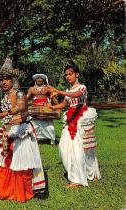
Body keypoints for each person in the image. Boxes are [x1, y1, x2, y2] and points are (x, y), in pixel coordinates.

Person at [0, 60, 46, 202]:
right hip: (7, 131)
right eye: (1, 80)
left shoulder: (20, 93)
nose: (3, 82)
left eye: (6, 79)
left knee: (21, 166)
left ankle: (20, 192)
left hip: (20, 132)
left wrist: (5, 114)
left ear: (12, 80)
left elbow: (21, 106)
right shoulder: (4, 95)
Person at [48, 60, 101, 188]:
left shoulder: (82, 87)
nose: (68, 77)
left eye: (70, 74)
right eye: (66, 75)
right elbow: (64, 104)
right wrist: (52, 107)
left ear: (76, 74)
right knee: (64, 146)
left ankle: (80, 178)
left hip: (81, 118)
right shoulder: (68, 89)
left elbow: (76, 95)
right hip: (70, 118)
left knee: (81, 148)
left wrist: (59, 92)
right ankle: (79, 173)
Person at [26, 74, 58, 145]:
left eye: (41, 78)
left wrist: (58, 106)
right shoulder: (31, 89)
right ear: (35, 80)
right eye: (38, 78)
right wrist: (22, 102)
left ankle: (52, 140)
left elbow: (53, 97)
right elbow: (26, 98)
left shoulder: (47, 88)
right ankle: (35, 140)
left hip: (46, 109)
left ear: (43, 80)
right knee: (35, 125)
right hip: (35, 109)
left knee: (49, 126)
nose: (39, 79)